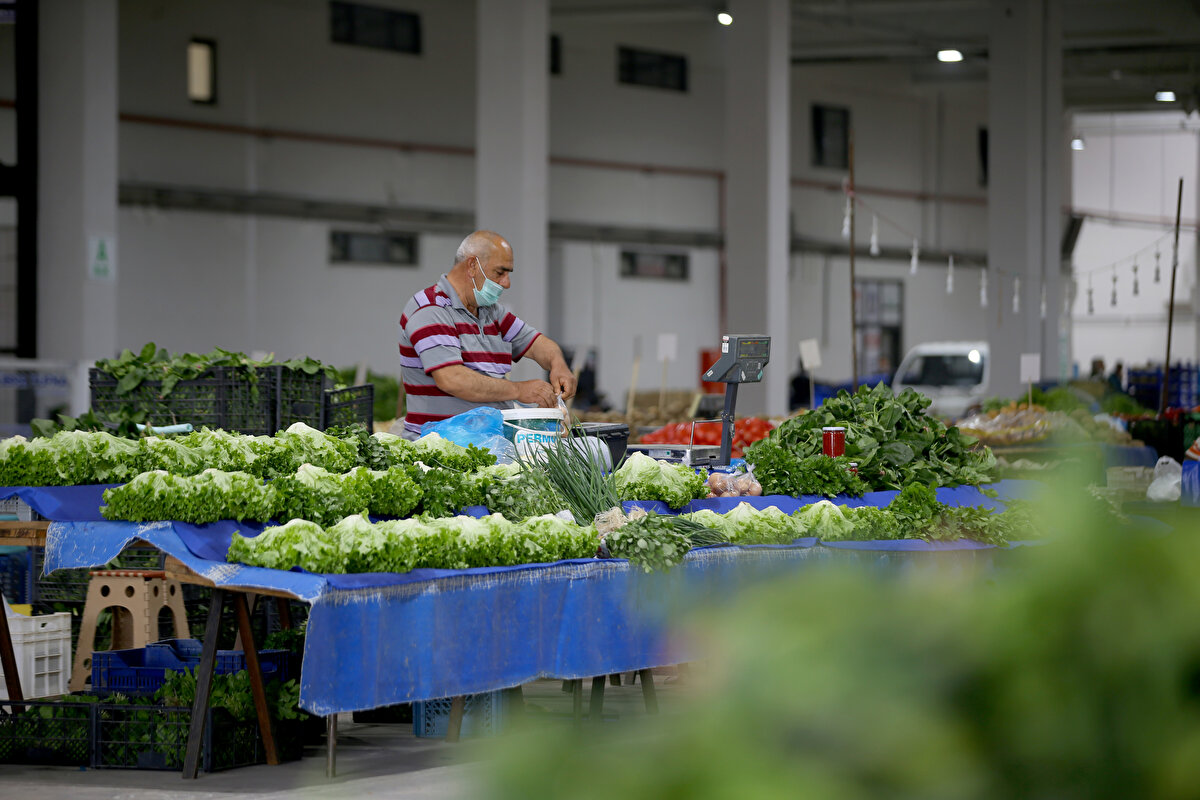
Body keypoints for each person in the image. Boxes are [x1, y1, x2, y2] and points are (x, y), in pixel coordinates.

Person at [397, 230, 577, 439]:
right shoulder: (431, 309)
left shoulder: (490, 312)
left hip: (485, 444)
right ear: (472, 266)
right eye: (500, 272)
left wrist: (558, 364)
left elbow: (537, 343)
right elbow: (453, 379)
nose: (506, 283)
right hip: (441, 449)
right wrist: (519, 390)